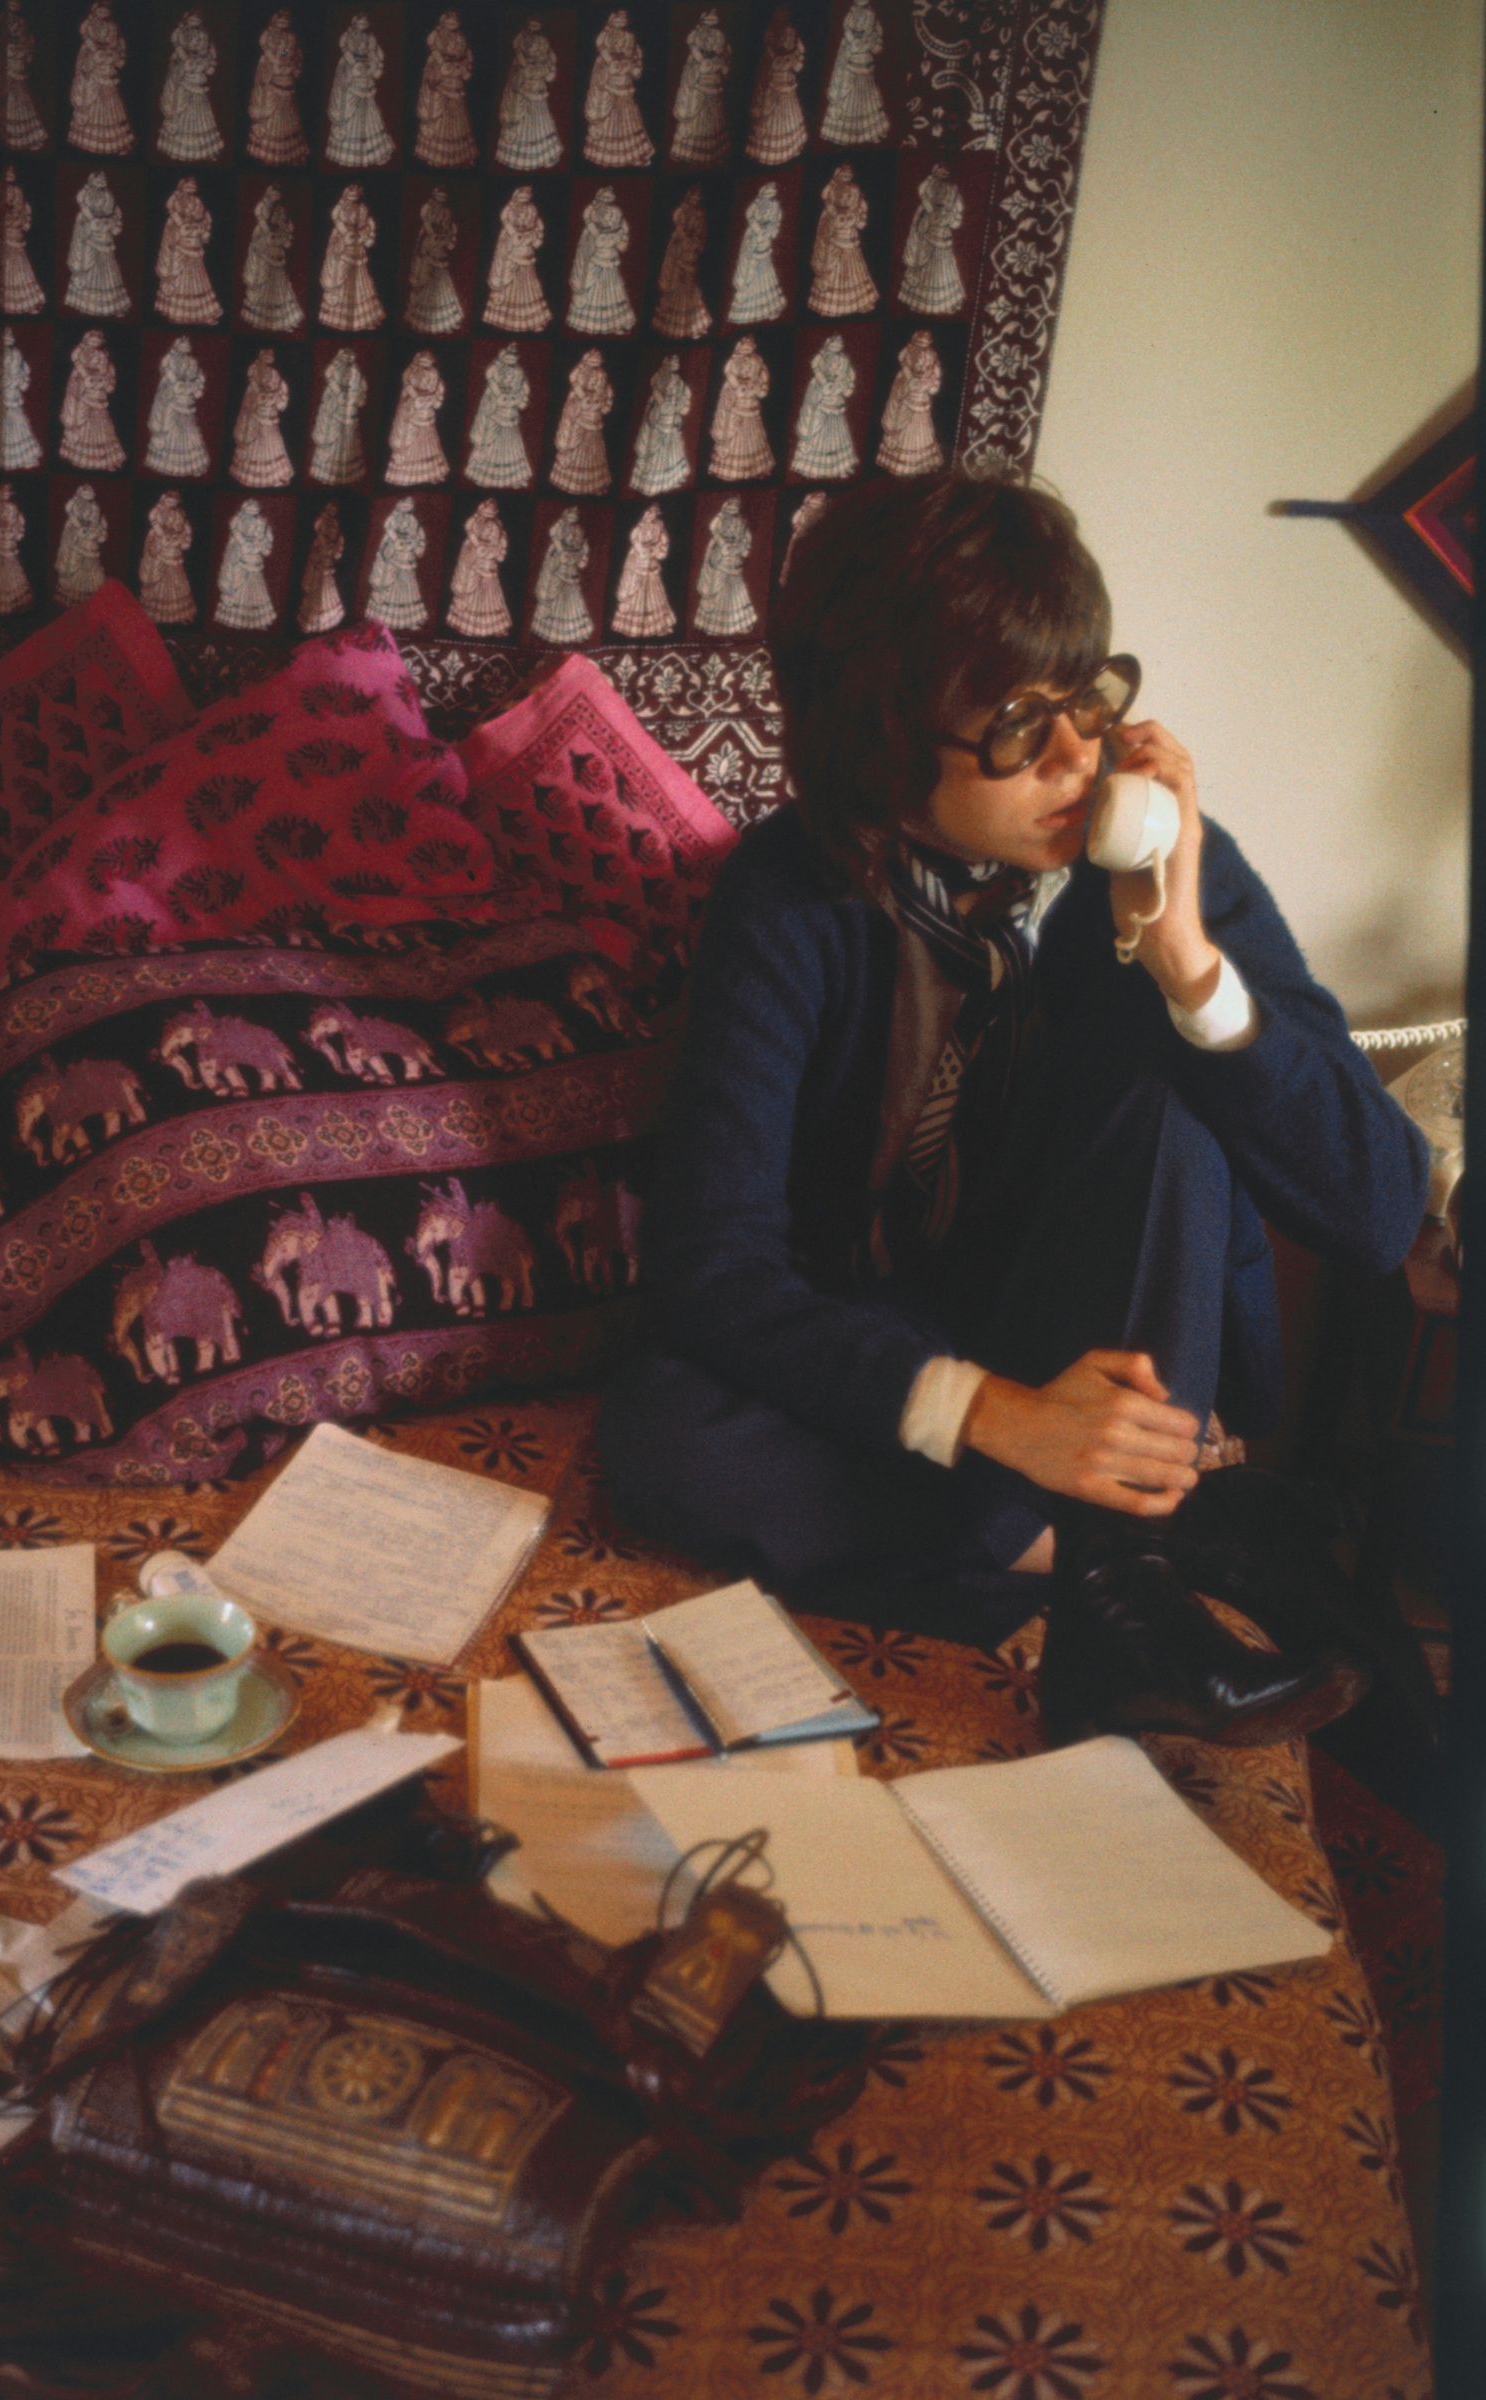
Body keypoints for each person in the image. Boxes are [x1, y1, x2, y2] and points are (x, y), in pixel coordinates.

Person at [598, 471, 1429, 1748]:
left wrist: (1189, 971)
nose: (1073, 756)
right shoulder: (786, 898)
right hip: (927, 1340)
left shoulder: (1164, 872)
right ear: (881, 744)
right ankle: (1154, 1537)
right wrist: (996, 1419)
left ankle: (1112, 1584)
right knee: (665, 1436)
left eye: (1085, 698)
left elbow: (1377, 1214)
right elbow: (713, 1268)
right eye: (1011, 727)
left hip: (1121, 1318)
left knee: (1169, 1105)